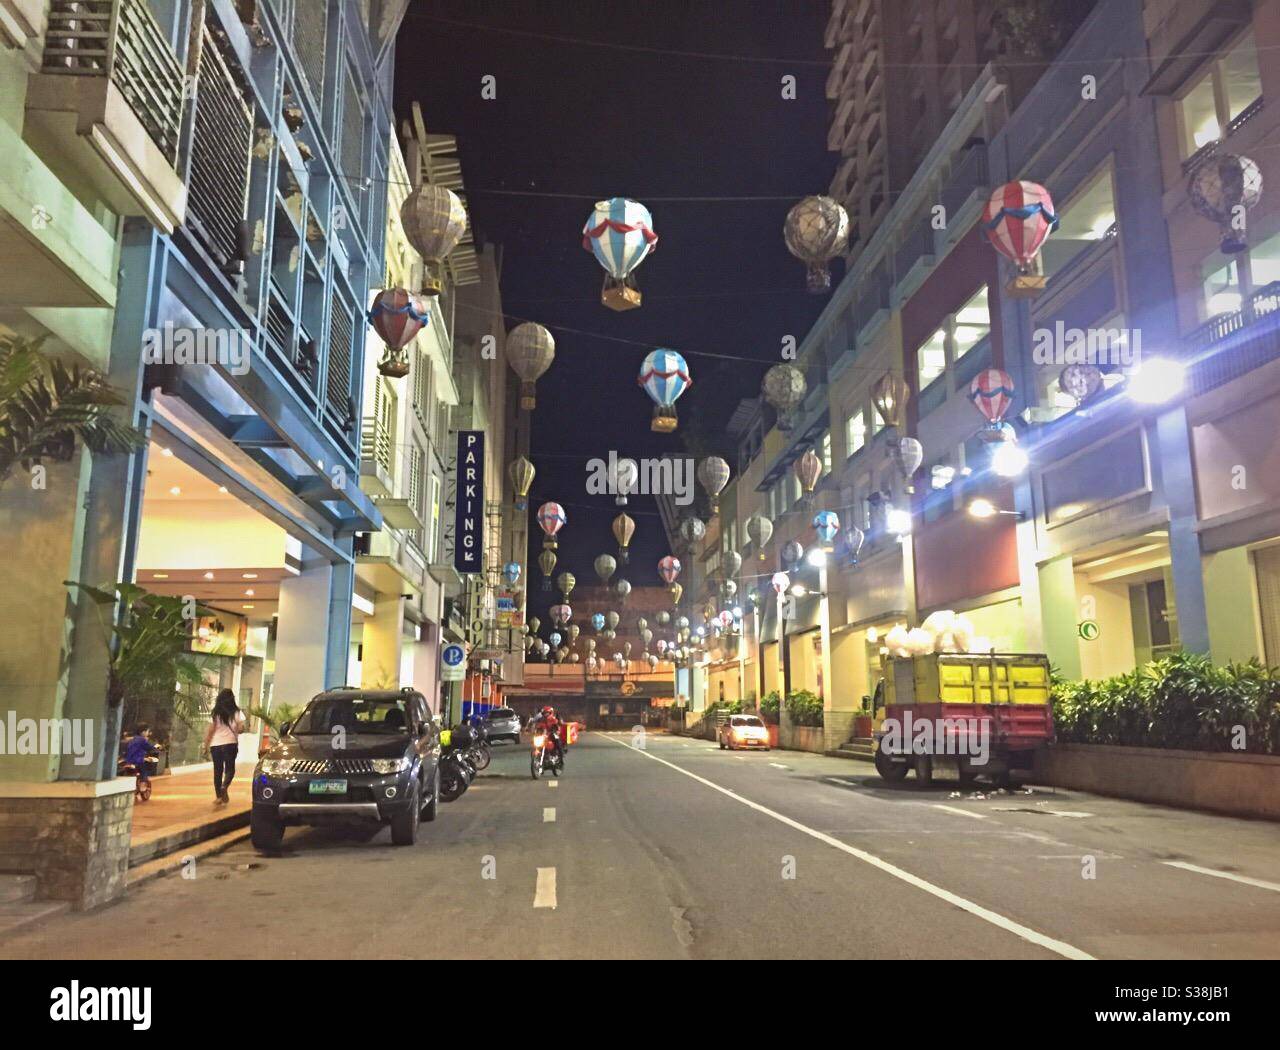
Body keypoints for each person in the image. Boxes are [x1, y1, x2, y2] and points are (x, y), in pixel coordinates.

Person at [203, 689, 246, 805]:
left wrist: (206, 745)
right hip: (230, 744)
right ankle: (224, 785)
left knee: (217, 770)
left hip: (215, 745)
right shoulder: (237, 712)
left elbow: (211, 730)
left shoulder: (215, 713)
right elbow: (241, 728)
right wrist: (240, 729)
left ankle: (218, 797)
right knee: (230, 769)